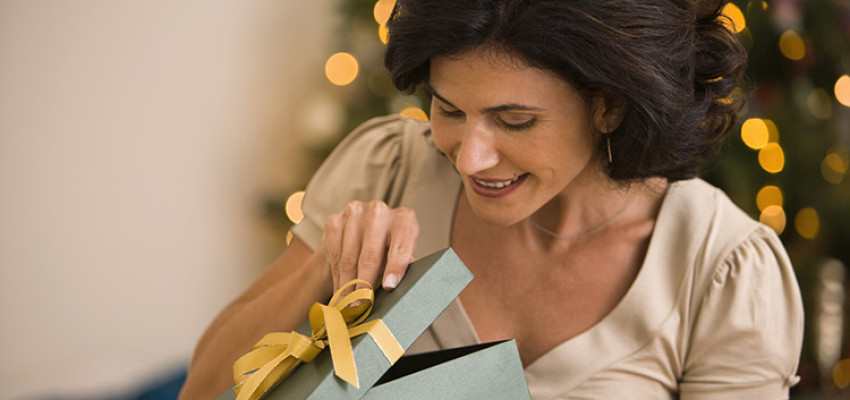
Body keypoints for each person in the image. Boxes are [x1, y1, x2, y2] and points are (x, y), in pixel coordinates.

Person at [180, 0, 804, 398]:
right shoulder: (388, 168)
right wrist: (327, 264)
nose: (469, 156)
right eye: (449, 109)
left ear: (609, 107)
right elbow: (204, 391)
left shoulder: (721, 270)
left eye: (515, 121)